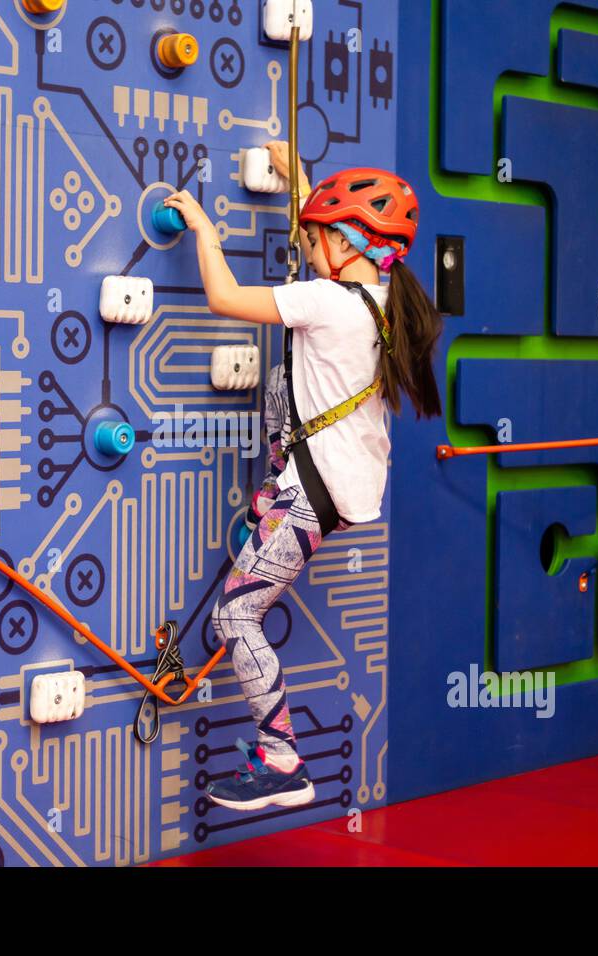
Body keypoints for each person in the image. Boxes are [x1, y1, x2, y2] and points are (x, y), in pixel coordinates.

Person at [162, 143, 445, 811]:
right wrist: (304, 183)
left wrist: (203, 229)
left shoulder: (327, 301)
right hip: (334, 485)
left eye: (317, 235)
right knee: (247, 600)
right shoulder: (379, 301)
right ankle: (280, 756)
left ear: (347, 245)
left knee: (237, 612)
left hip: (310, 493)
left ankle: (283, 760)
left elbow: (225, 297)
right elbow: (328, 247)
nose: (307, 244)